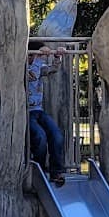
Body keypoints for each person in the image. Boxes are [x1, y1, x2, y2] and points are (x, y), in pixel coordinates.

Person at [27, 48, 67, 185]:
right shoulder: (21, 68)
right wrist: (39, 57)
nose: (31, 58)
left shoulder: (39, 67)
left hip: (38, 110)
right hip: (25, 112)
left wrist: (57, 56)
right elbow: (32, 76)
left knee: (56, 135)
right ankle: (39, 171)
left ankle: (56, 172)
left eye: (33, 56)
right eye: (30, 55)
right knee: (40, 137)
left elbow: (53, 69)